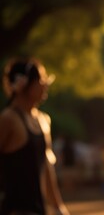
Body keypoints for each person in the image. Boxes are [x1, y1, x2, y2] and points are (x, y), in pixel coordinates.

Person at [0, 58, 69, 215]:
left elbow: (47, 167)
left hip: (39, 209)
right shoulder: (8, 119)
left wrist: (58, 207)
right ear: (25, 84)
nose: (45, 85)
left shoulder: (44, 120)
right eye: (40, 79)